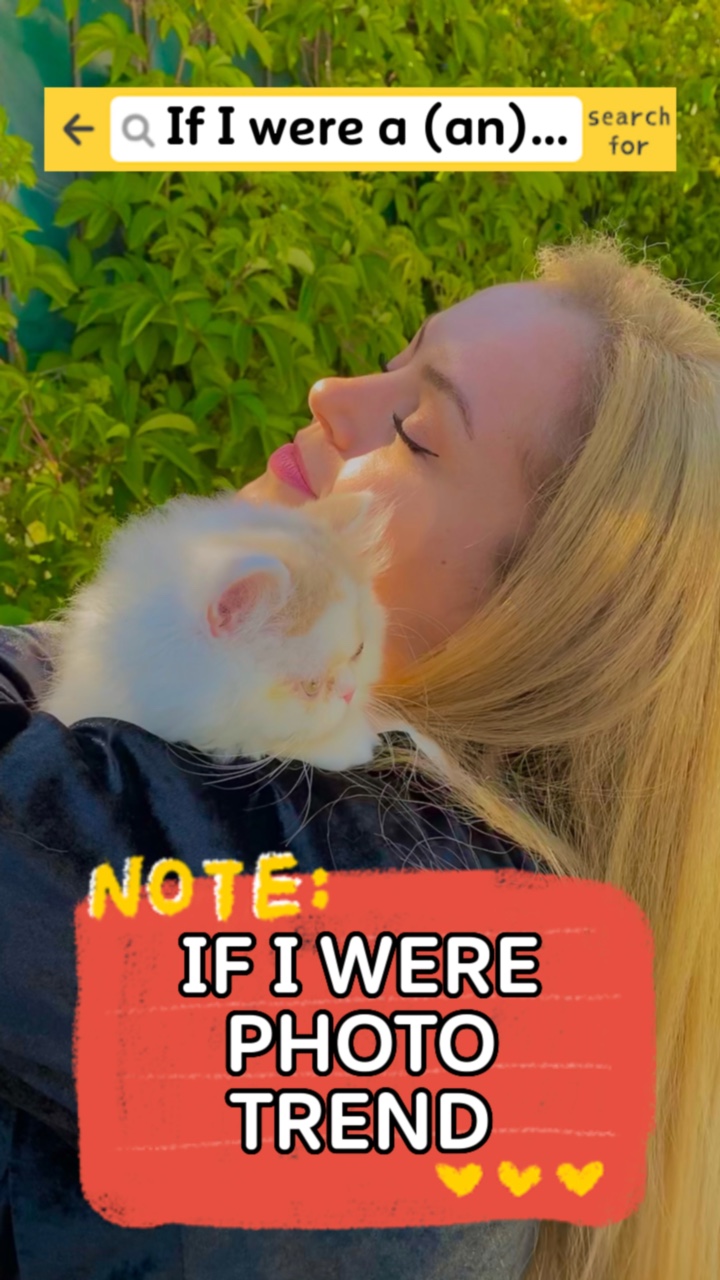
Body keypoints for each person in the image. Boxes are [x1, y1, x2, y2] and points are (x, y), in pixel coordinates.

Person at [0, 231, 717, 1280]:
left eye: (418, 432)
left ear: (536, 629)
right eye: (396, 356)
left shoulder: (343, 895)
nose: (332, 393)